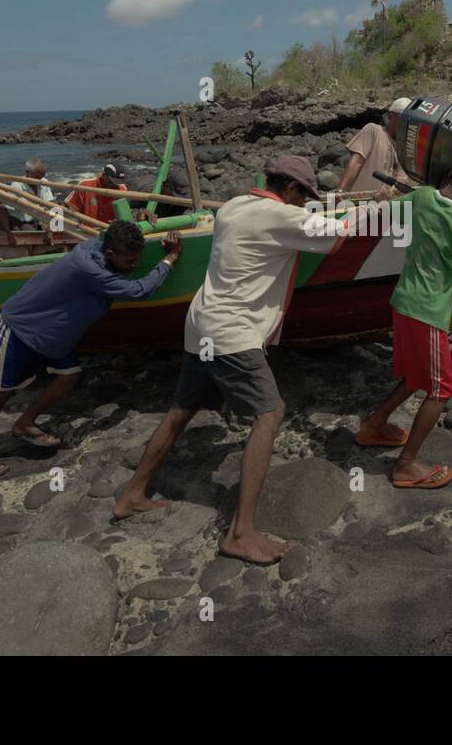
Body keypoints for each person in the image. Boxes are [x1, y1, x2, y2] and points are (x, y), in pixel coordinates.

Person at [113, 156, 351, 563]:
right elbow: (342, 234)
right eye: (302, 197)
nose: (301, 205)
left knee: (180, 410)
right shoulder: (280, 217)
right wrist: (387, 206)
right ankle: (240, 533)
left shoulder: (233, 207)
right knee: (269, 414)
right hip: (232, 333)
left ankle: (132, 494)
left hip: (200, 324)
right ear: (290, 190)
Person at [0, 220, 182, 479]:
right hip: (20, 329)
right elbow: (139, 291)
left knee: (68, 375)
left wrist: (144, 222)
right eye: (129, 262)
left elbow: (114, 230)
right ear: (111, 254)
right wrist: (170, 258)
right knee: (0, 394)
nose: (134, 266)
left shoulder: (101, 243)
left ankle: (25, 422)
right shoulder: (90, 269)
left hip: (55, 336)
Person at [356, 149, 452, 489]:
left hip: (403, 302)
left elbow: (385, 209)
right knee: (442, 388)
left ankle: (374, 424)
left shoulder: (420, 197)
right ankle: (405, 465)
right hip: (428, 312)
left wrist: (382, 196)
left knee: (415, 376)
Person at [338, 97, 413, 195]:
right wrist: (340, 192)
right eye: (403, 119)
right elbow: (356, 162)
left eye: (410, 121)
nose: (406, 124)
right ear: (390, 116)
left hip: (383, 205)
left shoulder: (404, 148)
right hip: (358, 200)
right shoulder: (373, 130)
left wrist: (393, 191)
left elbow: (402, 179)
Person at [7, 158, 58, 229]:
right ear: (27, 172)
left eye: (41, 176)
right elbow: (8, 209)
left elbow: (48, 203)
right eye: (36, 177)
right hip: (22, 222)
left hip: (39, 219)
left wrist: (46, 222)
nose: (39, 180)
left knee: (58, 220)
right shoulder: (16, 185)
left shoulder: (44, 182)